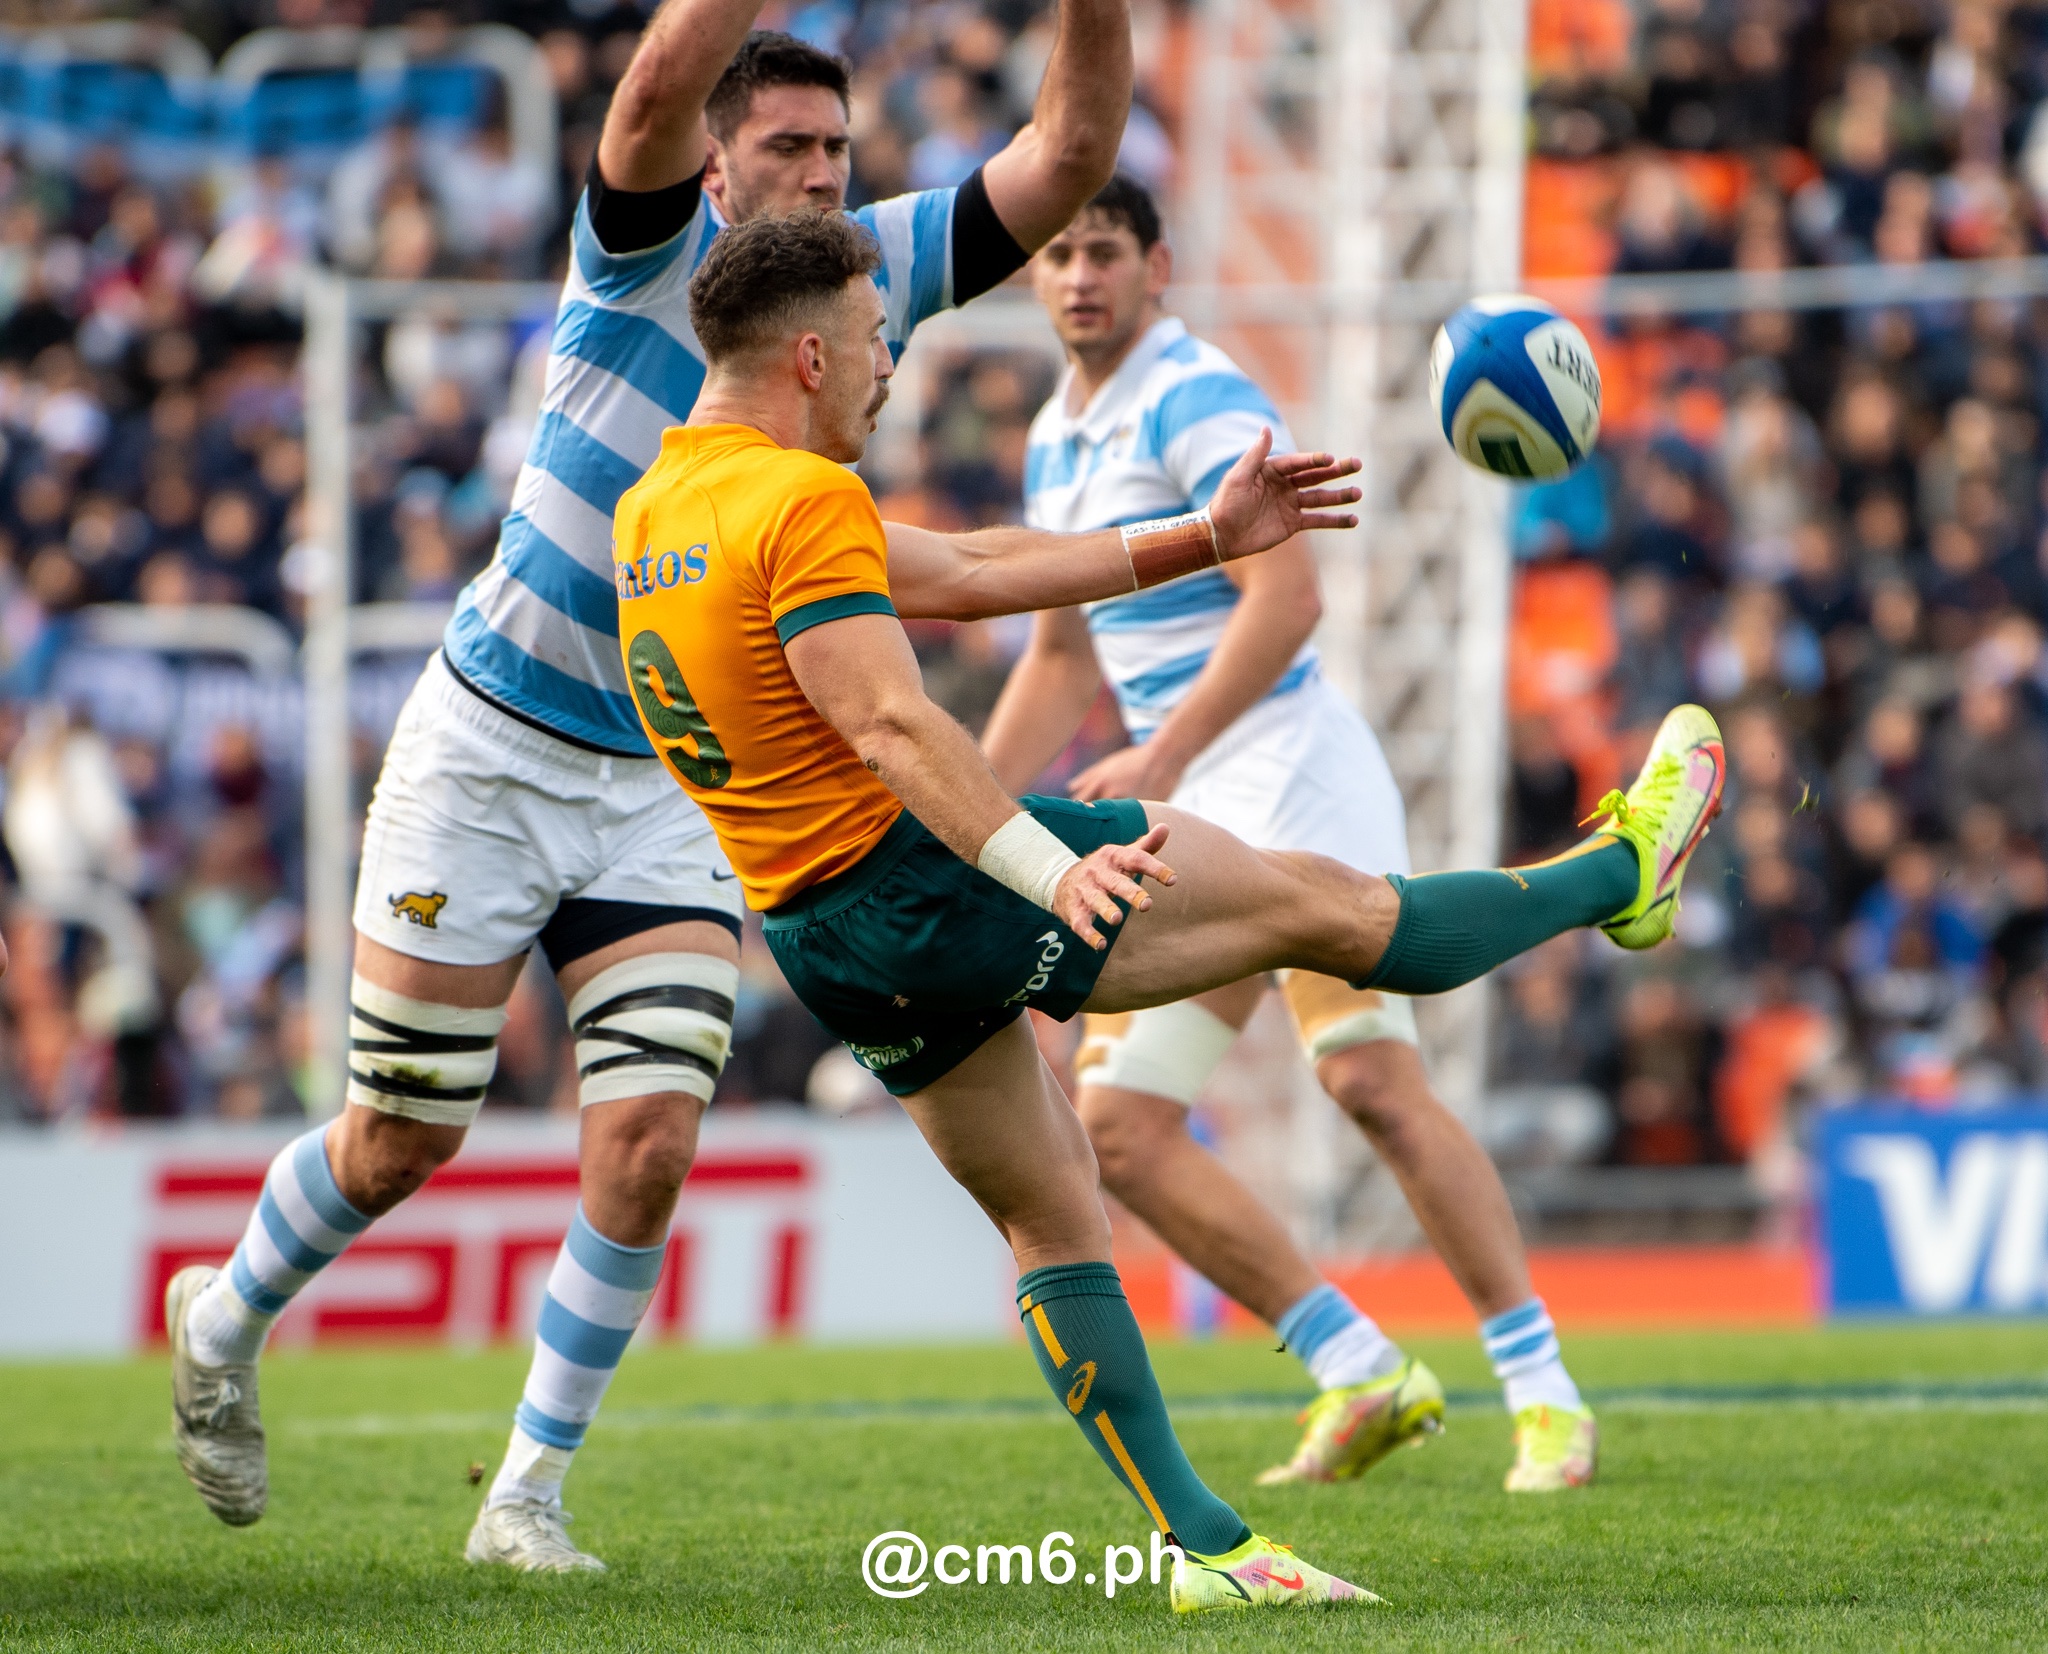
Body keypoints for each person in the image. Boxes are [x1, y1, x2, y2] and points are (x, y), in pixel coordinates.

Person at [610, 211, 1723, 1611]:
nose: (891, 368)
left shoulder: (659, 506)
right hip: (935, 876)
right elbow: (891, 723)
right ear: (813, 352)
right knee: (1332, 912)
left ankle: (1212, 1552)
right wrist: (1043, 866)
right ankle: (1623, 874)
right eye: (880, 340)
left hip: (823, 937)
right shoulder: (800, 499)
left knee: (1060, 1208)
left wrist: (1206, 536)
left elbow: (971, 574)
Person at [164, 1, 1137, 1573]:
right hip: (489, 742)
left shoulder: (869, 268)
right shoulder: (635, 249)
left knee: (650, 1139)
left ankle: (525, 1495)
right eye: (788, 151)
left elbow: (1069, 150)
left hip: (671, 773)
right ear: (716, 168)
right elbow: (661, 70)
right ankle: (222, 1316)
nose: (823, 179)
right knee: (401, 1136)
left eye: (838, 151)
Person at [979, 176, 1596, 1493]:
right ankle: (1361, 1366)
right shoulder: (1058, 432)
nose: (1081, 274)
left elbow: (1288, 597)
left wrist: (1168, 748)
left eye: (1107, 251)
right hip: (1186, 792)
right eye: (1061, 253)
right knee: (1122, 1130)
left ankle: (1545, 1393)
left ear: (1159, 271)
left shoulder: (1192, 393)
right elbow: (1054, 653)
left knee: (1367, 1079)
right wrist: (960, 806)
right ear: (1035, 278)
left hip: (1287, 769)